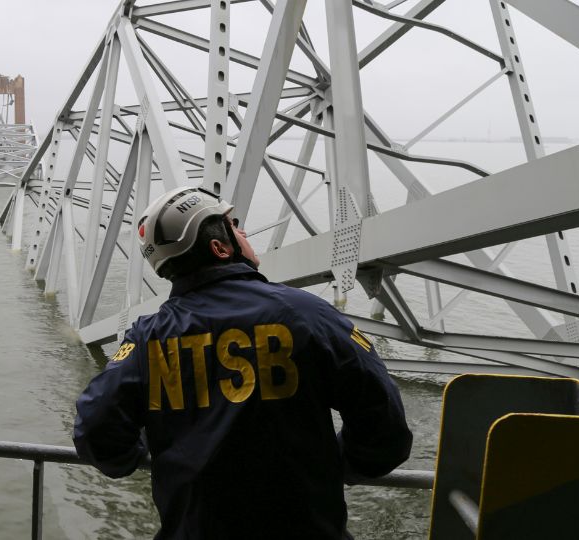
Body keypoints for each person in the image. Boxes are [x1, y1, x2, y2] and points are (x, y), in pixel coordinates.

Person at [73, 186, 412, 539]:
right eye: (234, 225)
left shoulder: (147, 338)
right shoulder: (306, 314)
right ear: (220, 249)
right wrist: (339, 465)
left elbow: (97, 431)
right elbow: (385, 427)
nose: (244, 232)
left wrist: (137, 457)